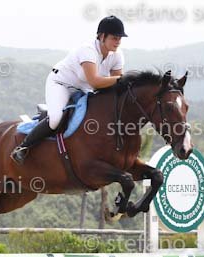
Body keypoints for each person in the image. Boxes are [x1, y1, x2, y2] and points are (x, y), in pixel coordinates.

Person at [11, 15, 127, 164]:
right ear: (102, 36)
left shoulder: (117, 55)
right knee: (55, 120)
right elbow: (95, 82)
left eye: (120, 38)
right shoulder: (88, 50)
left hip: (84, 89)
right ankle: (23, 147)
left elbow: (117, 85)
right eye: (114, 38)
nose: (118, 42)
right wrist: (122, 79)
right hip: (61, 84)